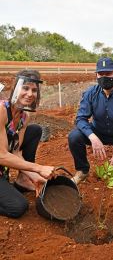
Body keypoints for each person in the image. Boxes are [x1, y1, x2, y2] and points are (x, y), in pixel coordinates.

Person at [0, 70, 55, 218]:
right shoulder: (2, 111)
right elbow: (2, 156)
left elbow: (16, 152)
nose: (30, 94)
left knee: (35, 130)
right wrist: (38, 168)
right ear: (16, 89)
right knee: (18, 207)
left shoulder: (25, 116)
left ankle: (22, 181)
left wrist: (33, 176)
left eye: (34, 90)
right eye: (25, 88)